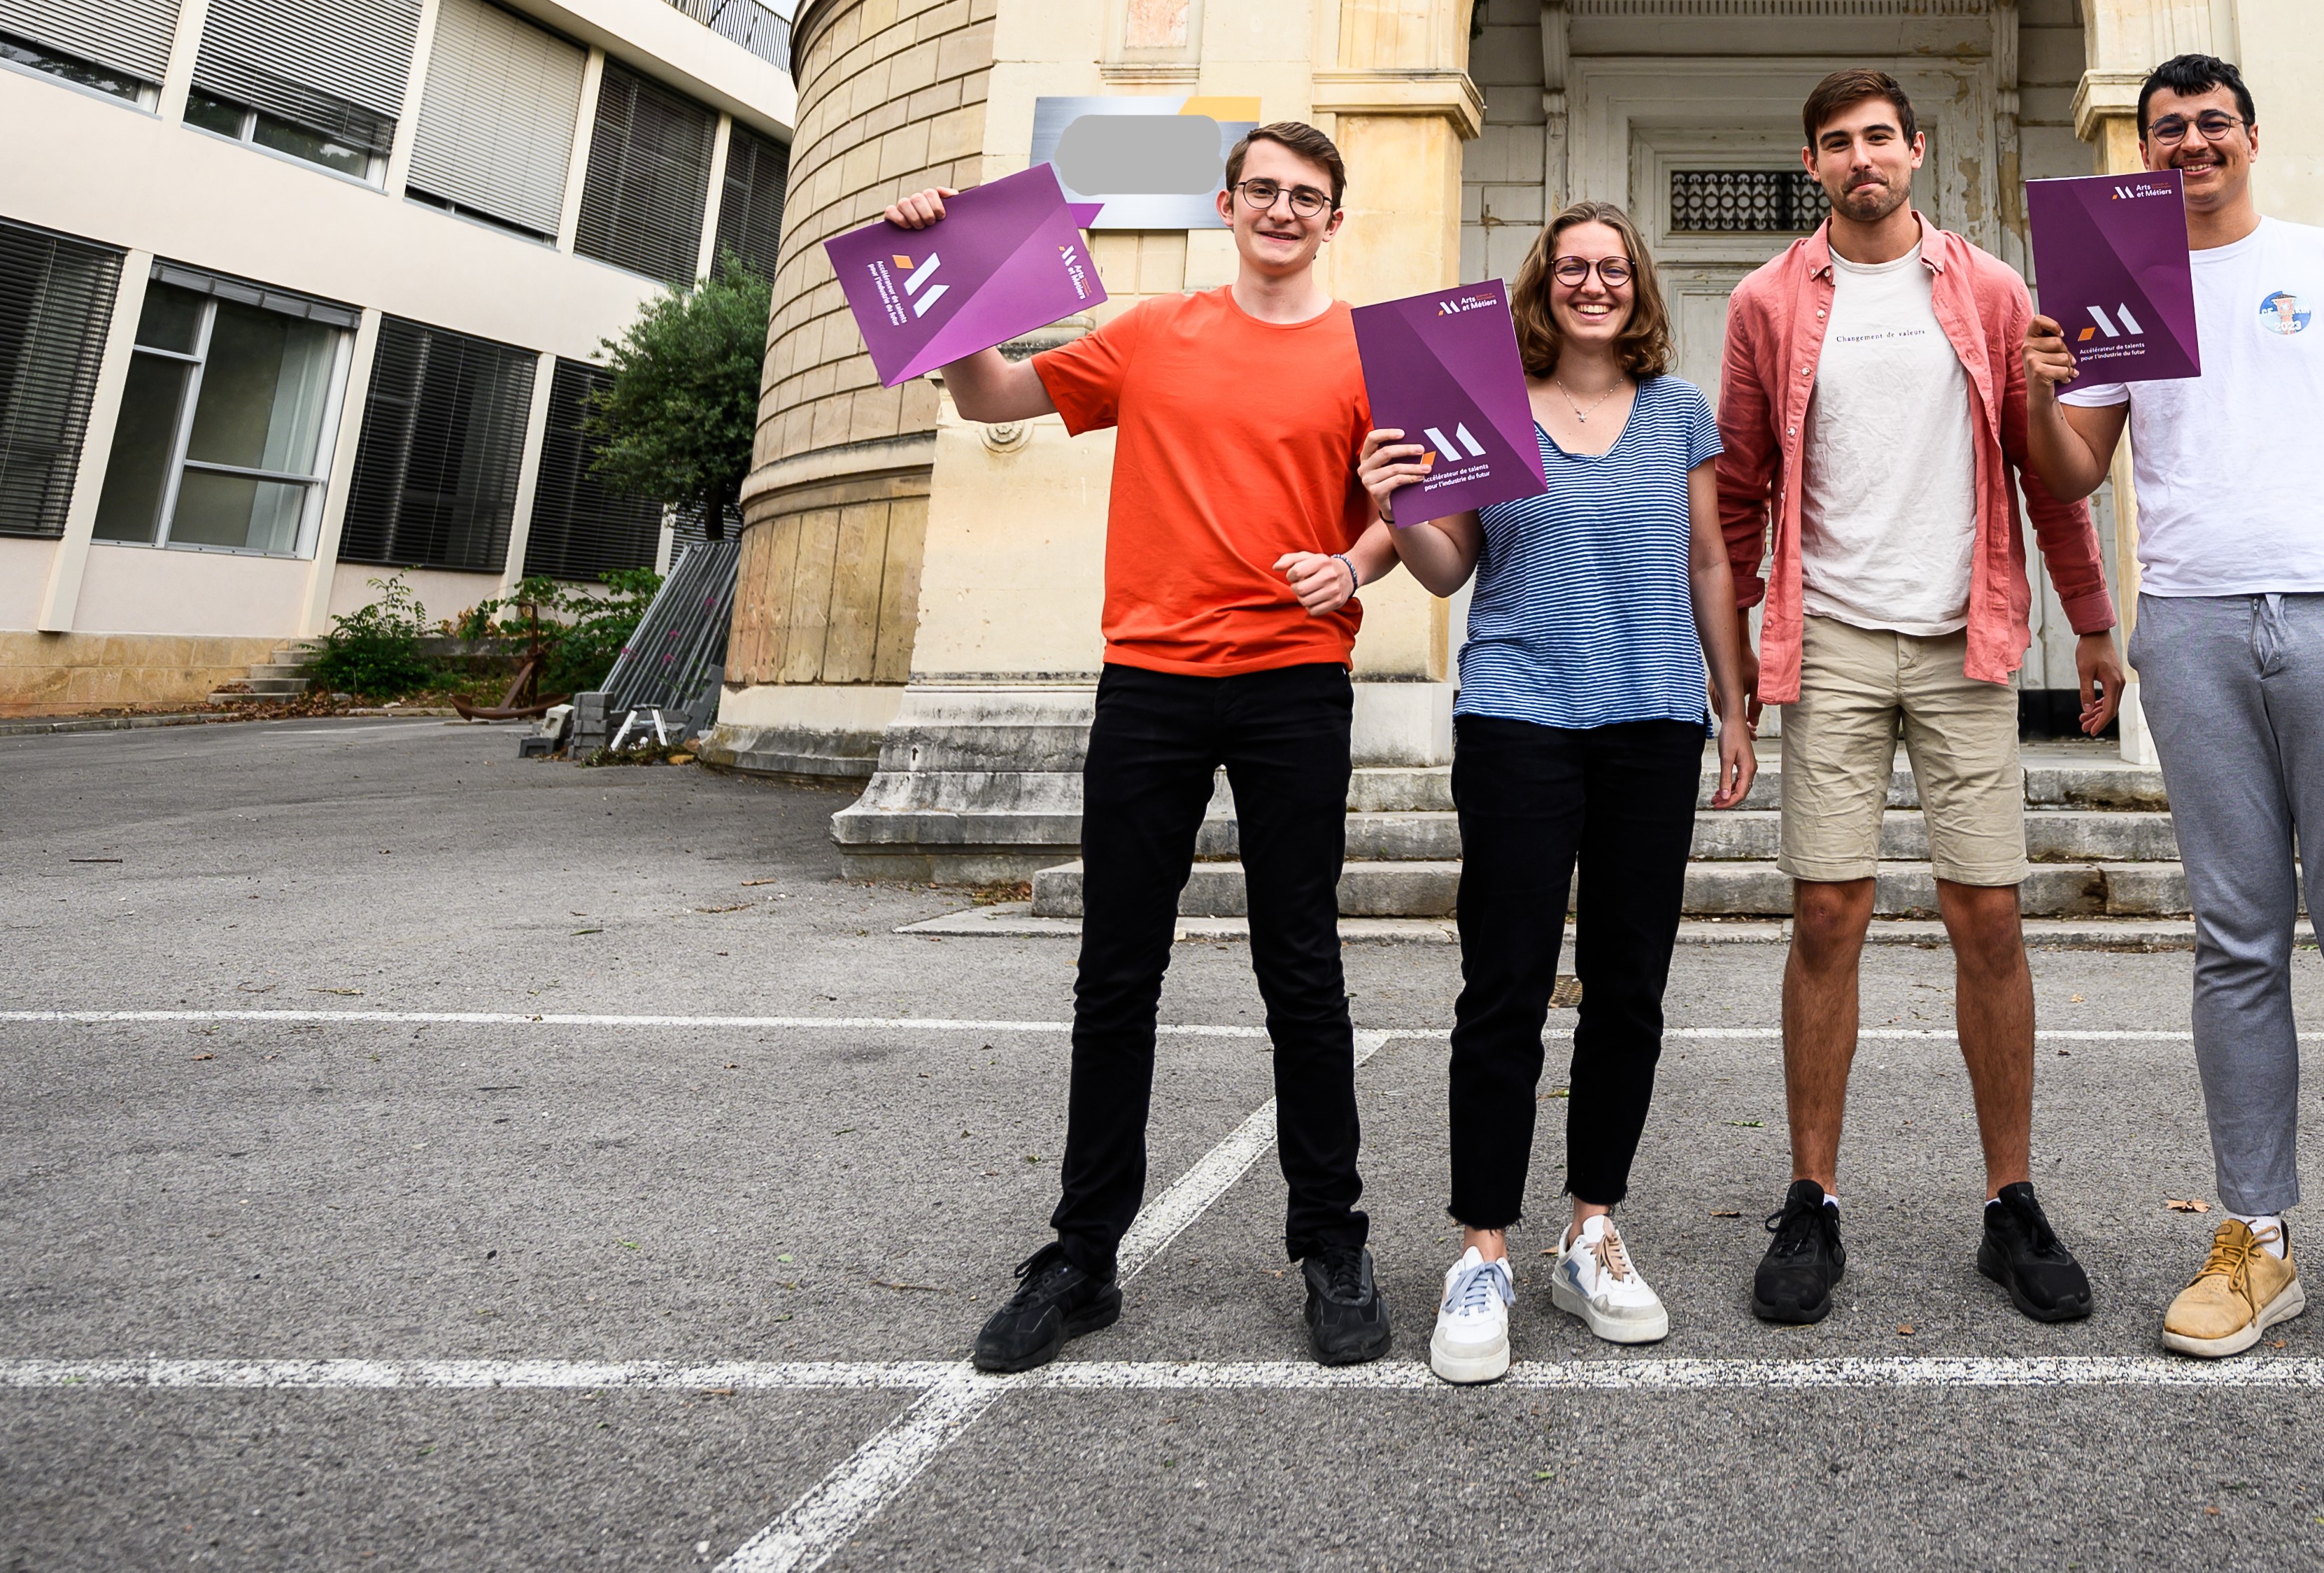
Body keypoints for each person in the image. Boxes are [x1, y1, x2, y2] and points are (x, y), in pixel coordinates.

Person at [2019, 55, 2324, 1383]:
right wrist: (2038, 379)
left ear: (2250, 135)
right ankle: (2259, 1241)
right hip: (2190, 624)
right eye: (2167, 129)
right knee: (2236, 939)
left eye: (2210, 124)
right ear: (2145, 150)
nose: (2190, 143)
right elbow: (2075, 468)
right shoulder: (2121, 277)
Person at [884, 121, 1405, 1374]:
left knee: (1303, 969)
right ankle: (1082, 1255)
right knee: (1117, 974)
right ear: (1228, 203)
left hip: (1293, 682)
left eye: (1309, 196)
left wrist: (1354, 561)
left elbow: (1408, 512)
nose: (1284, 210)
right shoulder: (1152, 331)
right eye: (1264, 190)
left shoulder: (1374, 349)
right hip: (1151, 686)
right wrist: (948, 278)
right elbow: (994, 393)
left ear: (1336, 219)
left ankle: (1330, 1240)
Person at [1715, 68, 2125, 1327]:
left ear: (1917, 150)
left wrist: (2095, 621)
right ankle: (1812, 1199)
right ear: (1813, 166)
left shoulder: (1990, 290)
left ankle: (2011, 1203)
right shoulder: (1768, 301)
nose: (1860, 160)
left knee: (1988, 917)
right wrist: (1729, 674)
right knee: (1829, 915)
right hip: (1829, 636)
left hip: (1967, 638)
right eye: (1835, 143)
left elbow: (2049, 474)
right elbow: (1736, 489)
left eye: (1879, 139)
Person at [1360, 202, 1759, 1385]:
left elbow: (1707, 561)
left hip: (1652, 720)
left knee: (1630, 987)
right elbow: (1450, 564)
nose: (1596, 284)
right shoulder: (1483, 398)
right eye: (1575, 267)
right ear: (1544, 284)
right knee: (1506, 984)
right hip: (1519, 718)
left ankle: (1589, 1230)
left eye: (1615, 267)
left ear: (1640, 287)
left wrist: (1733, 706)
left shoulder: (1680, 412)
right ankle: (1481, 1247)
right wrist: (1399, 504)